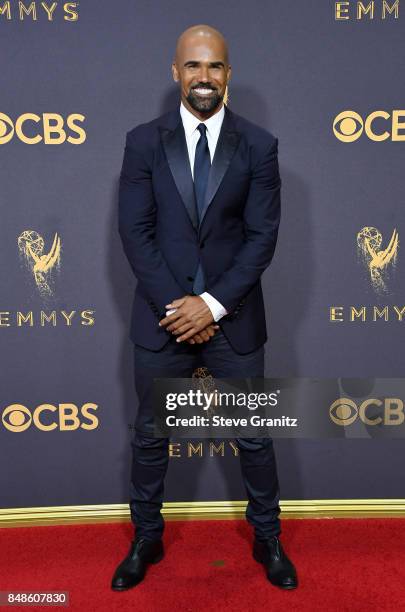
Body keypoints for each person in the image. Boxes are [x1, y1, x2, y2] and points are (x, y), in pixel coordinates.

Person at [111, 24, 298, 591]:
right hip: (162, 316)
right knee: (149, 436)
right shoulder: (143, 141)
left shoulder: (259, 145)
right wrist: (180, 306)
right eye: (193, 66)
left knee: (254, 438)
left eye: (214, 67)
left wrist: (211, 306)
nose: (203, 77)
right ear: (175, 73)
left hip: (234, 318)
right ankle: (147, 537)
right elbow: (135, 231)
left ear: (228, 75)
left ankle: (268, 538)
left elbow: (261, 237)